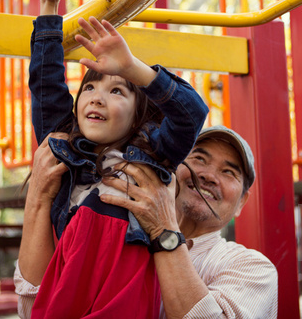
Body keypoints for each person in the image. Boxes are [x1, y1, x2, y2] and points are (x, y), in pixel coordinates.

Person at [16, 0, 209, 318]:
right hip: (68, 300)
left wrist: (134, 69)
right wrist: (49, 6)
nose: (97, 97)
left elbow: (192, 113)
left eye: (116, 90)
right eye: (89, 87)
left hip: (124, 303)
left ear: (139, 115)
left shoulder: (155, 154)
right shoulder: (64, 152)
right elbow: (45, 86)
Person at [16, 124, 279, 318]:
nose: (208, 175)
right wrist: (38, 196)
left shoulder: (252, 268)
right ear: (171, 169)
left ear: (242, 201)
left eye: (228, 172)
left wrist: (162, 229)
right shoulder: (114, 233)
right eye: (199, 158)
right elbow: (33, 307)